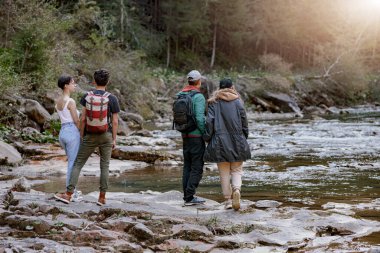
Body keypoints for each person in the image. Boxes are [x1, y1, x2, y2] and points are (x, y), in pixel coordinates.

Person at [54, 69, 120, 206]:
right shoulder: (112, 98)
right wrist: (114, 139)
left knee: (78, 163)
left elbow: (83, 119)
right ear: (108, 82)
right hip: (106, 135)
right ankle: (102, 198)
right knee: (105, 165)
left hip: (90, 135)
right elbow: (115, 121)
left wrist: (82, 135)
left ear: (94, 81)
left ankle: (68, 194)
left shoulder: (87, 96)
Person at [203, 78, 251, 210]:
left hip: (219, 143)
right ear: (232, 87)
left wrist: (207, 138)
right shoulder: (238, 102)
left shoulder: (213, 102)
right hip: (237, 141)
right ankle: (236, 189)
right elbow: (244, 123)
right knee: (237, 170)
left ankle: (228, 200)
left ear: (220, 88)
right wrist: (243, 137)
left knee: (224, 172)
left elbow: (209, 123)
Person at [177, 70, 207, 206]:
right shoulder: (199, 97)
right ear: (199, 81)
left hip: (184, 134)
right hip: (196, 136)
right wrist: (205, 134)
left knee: (187, 166)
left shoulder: (181, 94)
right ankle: (189, 196)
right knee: (197, 167)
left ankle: (187, 196)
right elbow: (200, 118)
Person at [55, 75, 82, 202]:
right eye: (72, 83)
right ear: (66, 85)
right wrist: (83, 133)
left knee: (71, 162)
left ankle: (72, 190)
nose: (74, 85)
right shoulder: (71, 101)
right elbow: (76, 121)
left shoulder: (58, 101)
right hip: (72, 132)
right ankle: (70, 193)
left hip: (62, 133)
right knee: (73, 164)